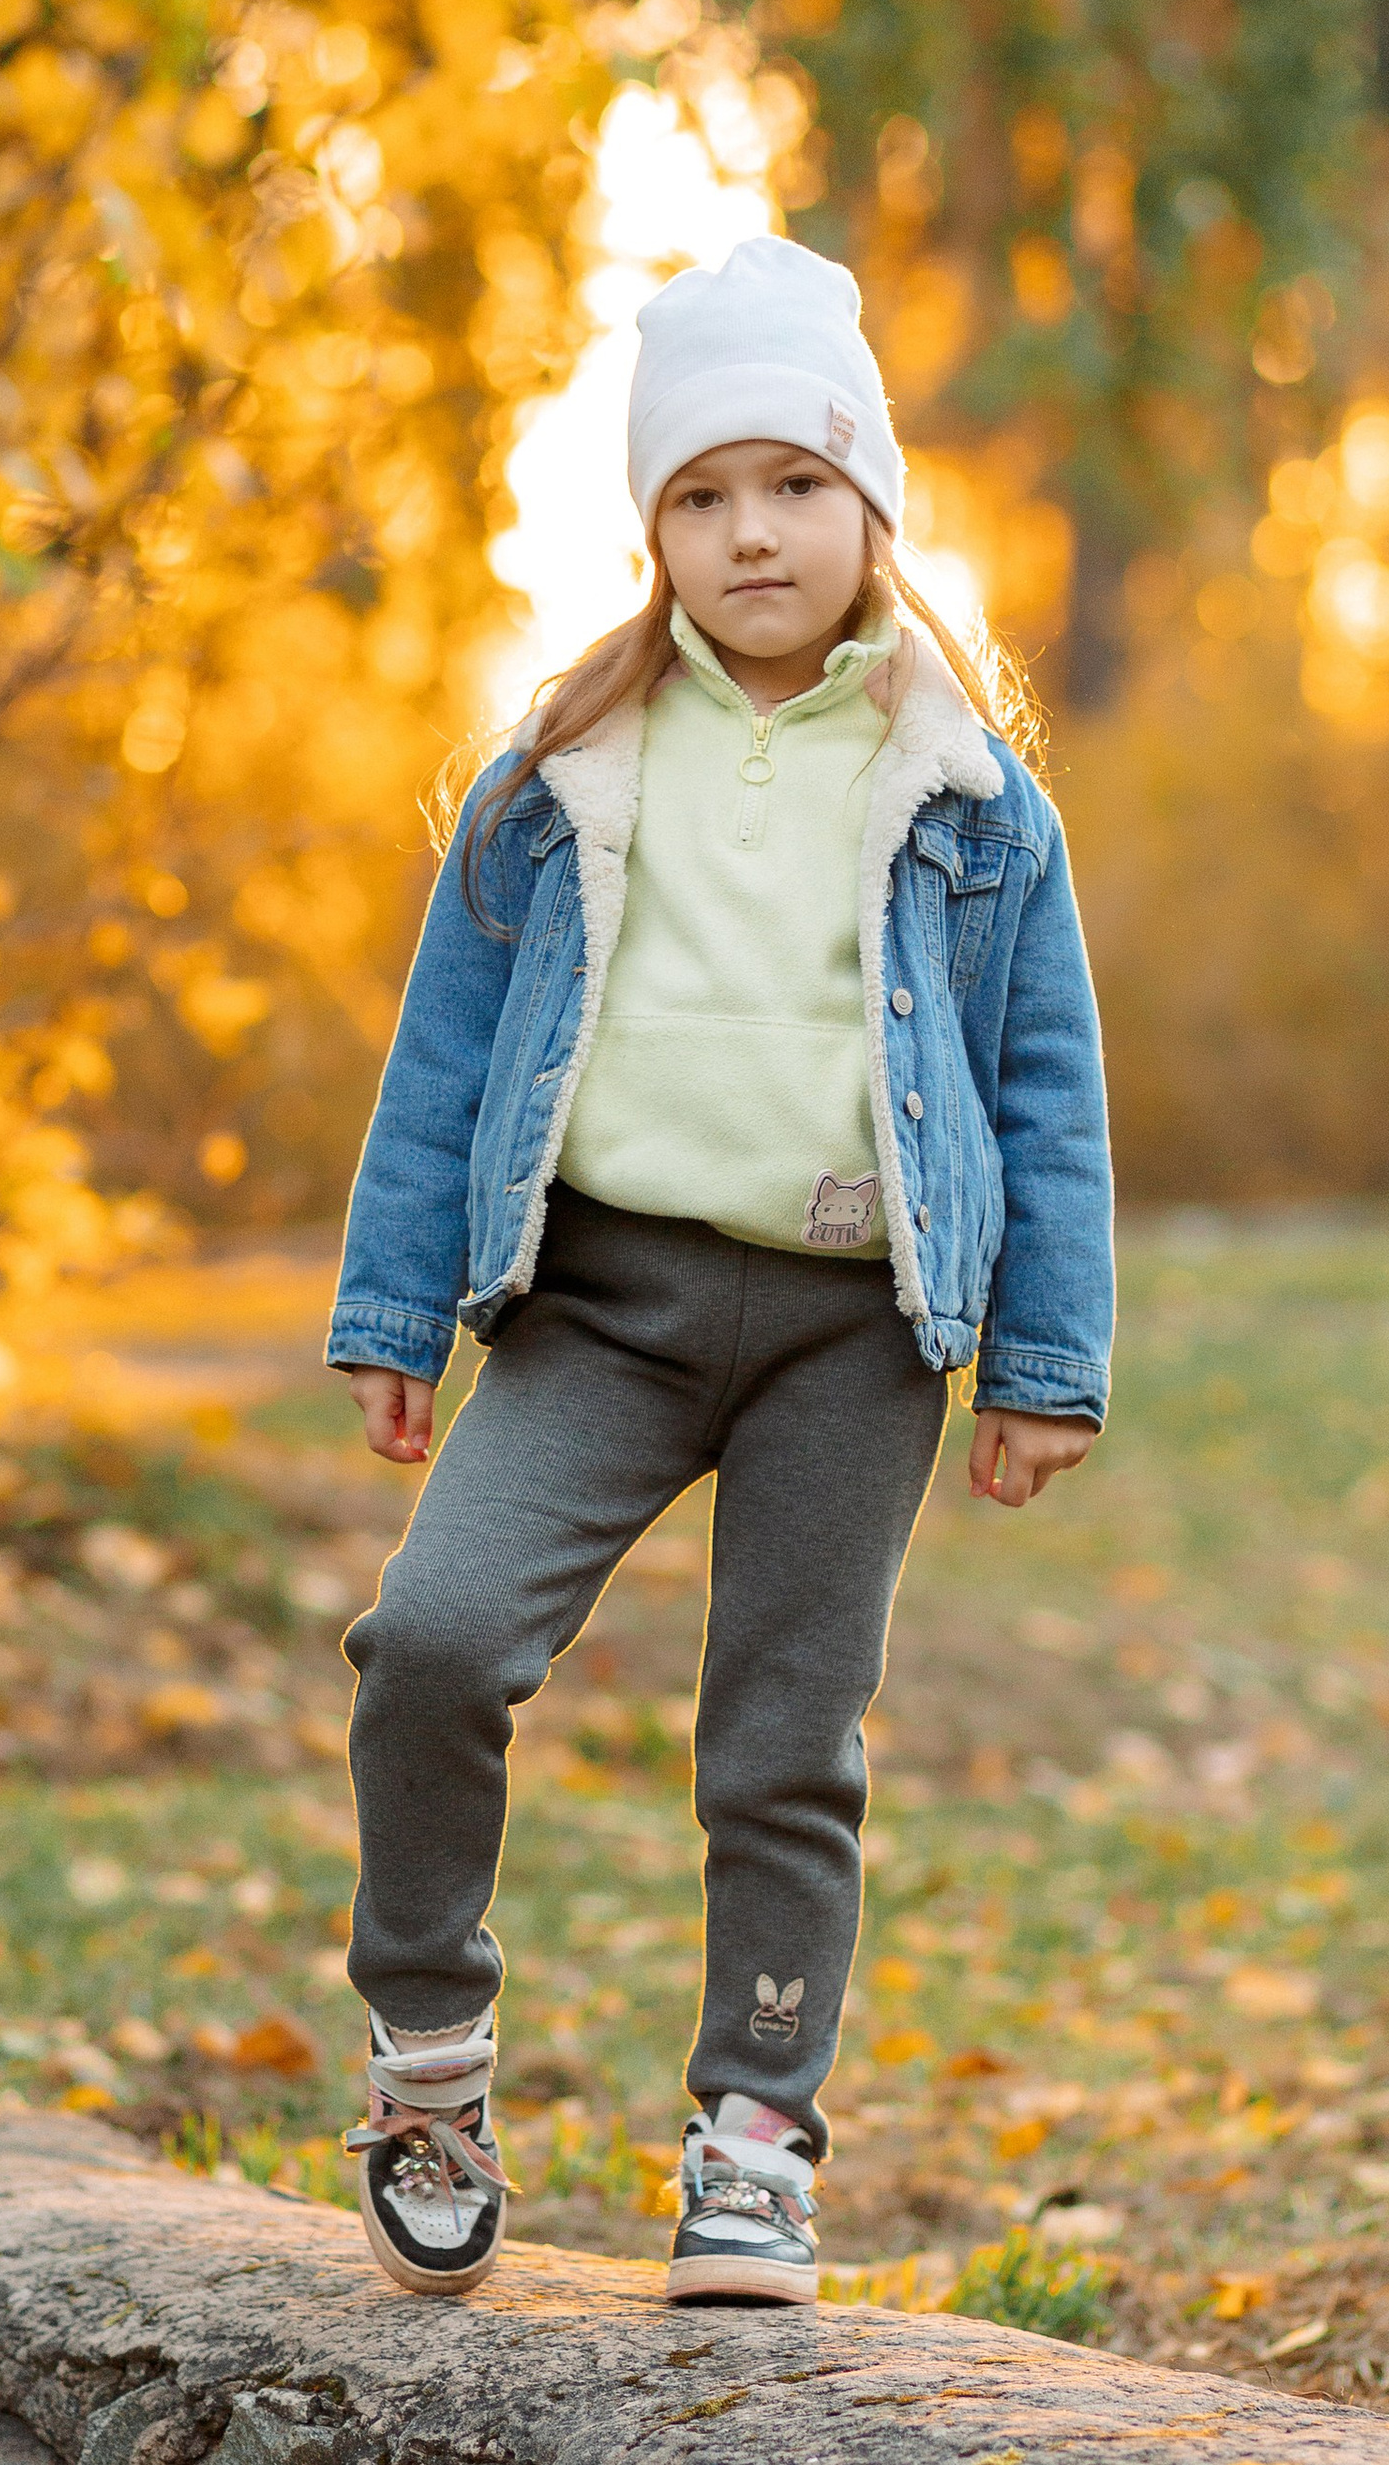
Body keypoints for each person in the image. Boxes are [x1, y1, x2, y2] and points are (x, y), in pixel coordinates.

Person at [325, 230, 1114, 2304]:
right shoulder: (562, 774)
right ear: (651, 532)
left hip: (853, 1334)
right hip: (603, 1310)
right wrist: (395, 1312)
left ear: (870, 506)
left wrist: (1044, 1359)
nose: (750, 533)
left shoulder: (969, 799)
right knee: (431, 1644)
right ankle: (427, 2055)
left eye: (793, 484)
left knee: (782, 1743)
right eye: (699, 495)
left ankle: (755, 2138)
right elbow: (441, 1059)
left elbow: (1044, 1091)